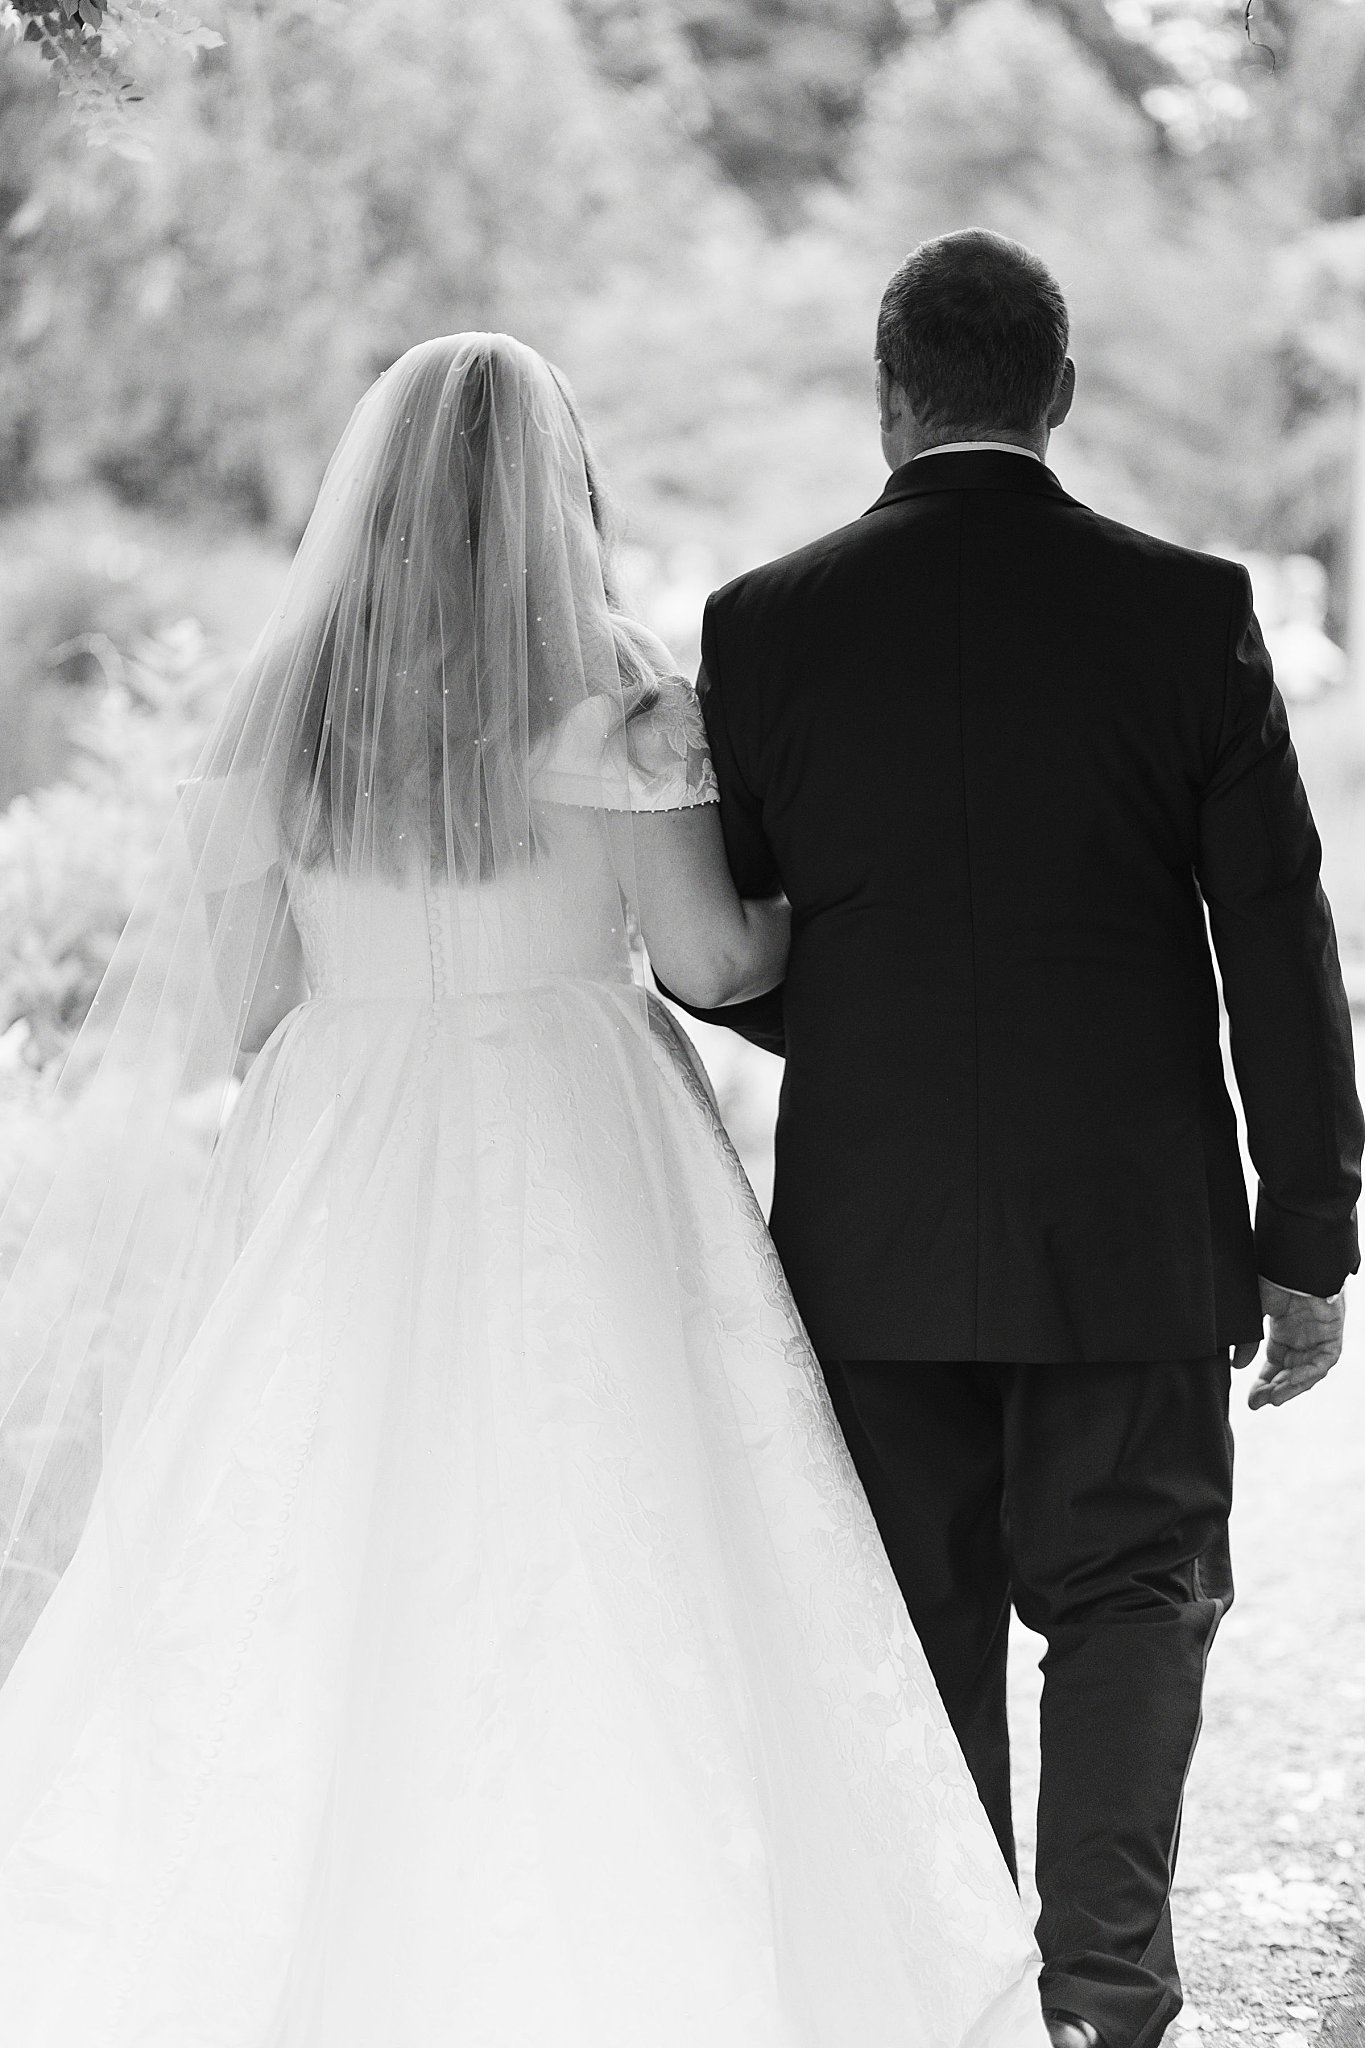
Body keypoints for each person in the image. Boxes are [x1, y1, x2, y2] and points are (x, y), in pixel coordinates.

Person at [0, 334, 1048, 2046]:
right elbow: (710, 961)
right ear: (554, 492)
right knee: (621, 1527)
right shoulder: (611, 690)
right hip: (579, 1141)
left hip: (344, 1146)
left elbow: (245, 997)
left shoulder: (287, 706)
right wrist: (843, 913)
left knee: (330, 1529)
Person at [664, 229, 1364, 2048]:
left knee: (919, 1613)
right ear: (1058, 394)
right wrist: (1307, 1239)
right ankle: (1105, 1997)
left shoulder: (765, 624)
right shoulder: (1184, 607)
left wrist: (886, 1018)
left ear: (886, 399)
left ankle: (954, 1988)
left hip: (869, 1231)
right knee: (1133, 1594)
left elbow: (734, 949)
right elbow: (1277, 944)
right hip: (1129, 1224)